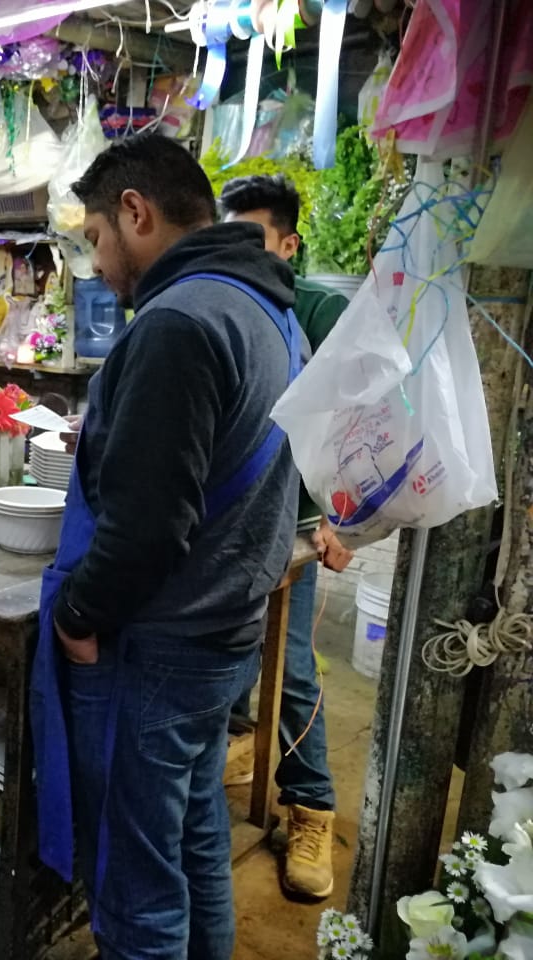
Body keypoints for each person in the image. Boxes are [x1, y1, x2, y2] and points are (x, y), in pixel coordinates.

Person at [30, 133, 304, 960]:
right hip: (225, 629)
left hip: (161, 644)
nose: (97, 262)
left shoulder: (178, 323)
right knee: (192, 844)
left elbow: (149, 527)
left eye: (96, 239)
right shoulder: (268, 307)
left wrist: (80, 613)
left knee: (136, 888)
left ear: (136, 214)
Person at [219, 173, 356, 900]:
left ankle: (310, 806)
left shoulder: (321, 311)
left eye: (254, 238)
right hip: (230, 524)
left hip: (297, 521)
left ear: (289, 243)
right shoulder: (223, 301)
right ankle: (243, 744)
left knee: (293, 666)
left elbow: (358, 425)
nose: (237, 252)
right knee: (230, 647)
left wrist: (340, 514)